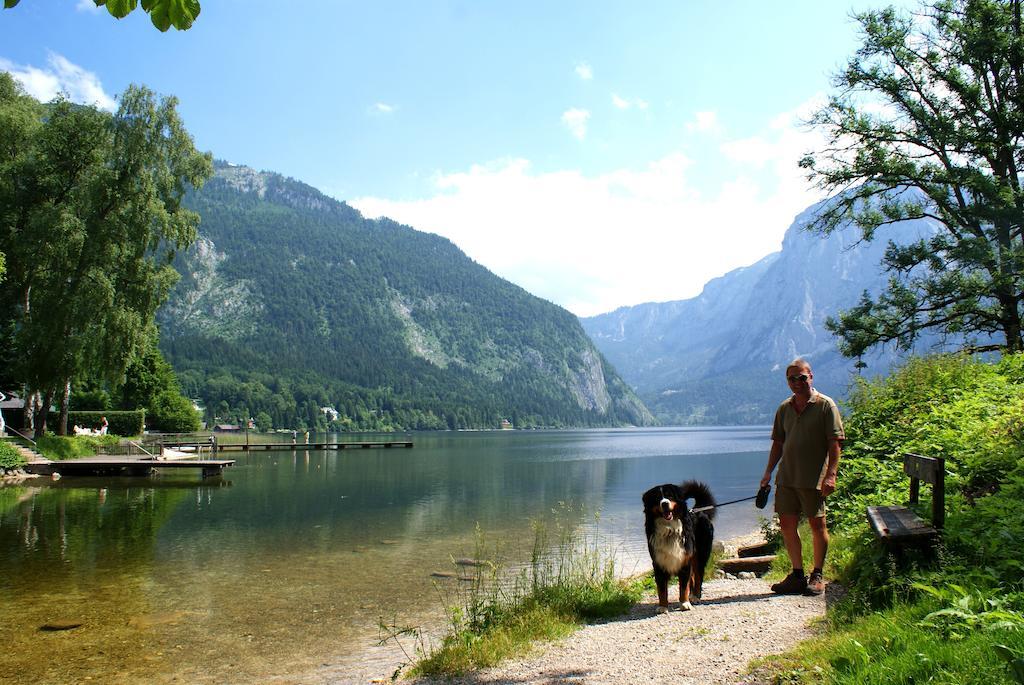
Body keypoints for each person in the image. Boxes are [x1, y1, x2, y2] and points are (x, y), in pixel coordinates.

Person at [759, 358, 844, 596]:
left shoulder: (826, 405)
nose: (796, 382)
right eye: (791, 379)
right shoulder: (784, 408)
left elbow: (835, 442)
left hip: (814, 478)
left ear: (811, 377)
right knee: (787, 525)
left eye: (801, 377)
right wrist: (768, 472)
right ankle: (797, 575)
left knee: (818, 524)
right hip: (787, 478)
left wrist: (831, 475)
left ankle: (817, 575)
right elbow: (778, 443)